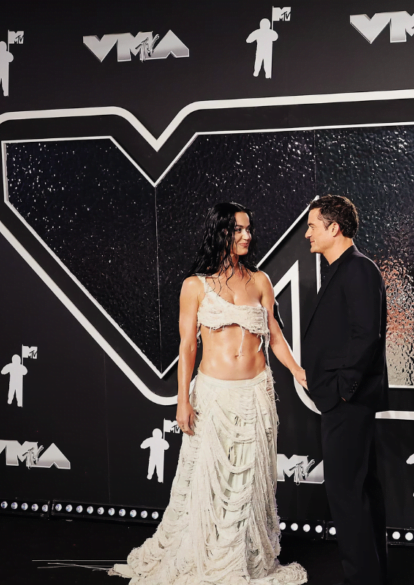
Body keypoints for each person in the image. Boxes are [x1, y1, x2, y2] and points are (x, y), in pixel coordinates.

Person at [111, 202, 307, 584]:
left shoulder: (261, 281)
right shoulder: (194, 286)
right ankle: (205, 556)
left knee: (250, 484)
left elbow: (276, 338)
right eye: (238, 229)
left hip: (255, 395)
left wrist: (298, 371)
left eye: (249, 229)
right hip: (213, 396)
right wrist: (182, 399)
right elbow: (187, 348)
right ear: (221, 232)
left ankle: (242, 559)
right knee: (207, 482)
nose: (247, 235)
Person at [301, 195, 389, 585]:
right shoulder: (344, 270)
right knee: (358, 492)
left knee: (347, 496)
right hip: (345, 401)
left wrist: (342, 390)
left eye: (312, 226)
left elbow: (366, 335)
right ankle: (372, 576)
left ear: (334, 228)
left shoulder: (358, 269)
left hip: (348, 402)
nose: (307, 233)